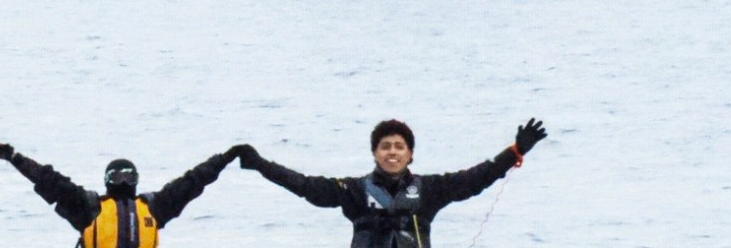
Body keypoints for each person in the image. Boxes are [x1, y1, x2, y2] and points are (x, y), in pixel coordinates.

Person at [233, 117, 548, 248]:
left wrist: (516, 151)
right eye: (385, 146)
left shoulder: (431, 190)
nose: (392, 152)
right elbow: (303, 185)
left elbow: (478, 177)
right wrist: (260, 164)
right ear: (374, 153)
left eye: (399, 147)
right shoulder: (353, 191)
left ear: (410, 154)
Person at [0, 140, 240, 247]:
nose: (123, 181)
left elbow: (48, 180)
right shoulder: (154, 208)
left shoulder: (89, 207)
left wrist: (12, 156)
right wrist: (226, 158)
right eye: (121, 176)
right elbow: (193, 181)